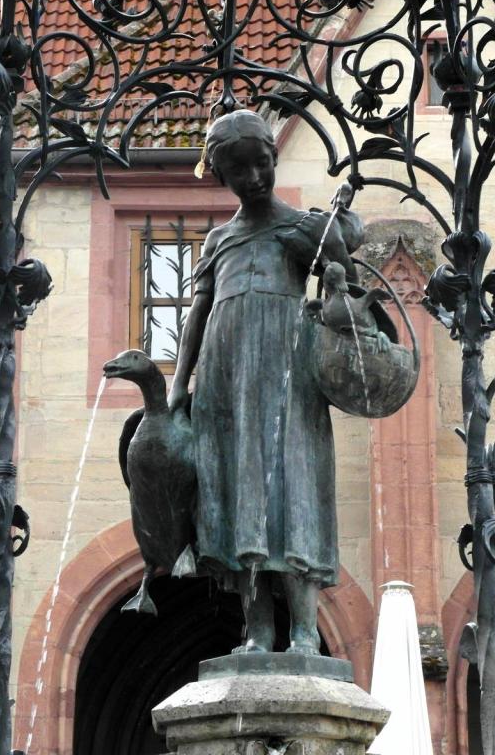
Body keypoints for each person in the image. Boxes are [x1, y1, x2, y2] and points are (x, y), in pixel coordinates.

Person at [167, 110, 362, 655]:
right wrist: (180, 384)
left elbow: (345, 295)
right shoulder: (218, 241)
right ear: (223, 177)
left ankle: (304, 633)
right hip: (225, 380)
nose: (252, 178)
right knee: (235, 498)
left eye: (259, 165)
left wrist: (339, 270)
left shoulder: (303, 229)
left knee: (293, 490)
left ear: (274, 159)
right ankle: (256, 632)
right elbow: (195, 317)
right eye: (237, 171)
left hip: (287, 377)